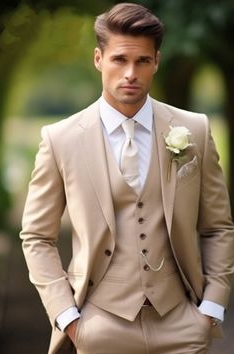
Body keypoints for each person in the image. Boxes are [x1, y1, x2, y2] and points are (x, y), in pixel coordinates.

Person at [20, 3, 234, 354]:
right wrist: (68, 318)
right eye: (120, 59)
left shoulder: (193, 130)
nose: (130, 73)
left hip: (182, 325)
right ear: (98, 59)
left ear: (156, 62)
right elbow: (37, 236)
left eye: (142, 61)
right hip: (98, 327)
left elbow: (218, 227)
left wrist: (211, 306)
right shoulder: (60, 139)